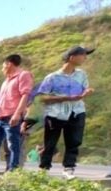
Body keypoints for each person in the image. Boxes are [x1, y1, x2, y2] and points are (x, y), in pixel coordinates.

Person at [36, 46, 95, 179]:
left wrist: (87, 92)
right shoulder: (52, 77)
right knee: (50, 142)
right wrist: (67, 98)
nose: (85, 58)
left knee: (74, 141)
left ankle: (68, 168)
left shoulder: (82, 74)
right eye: (83, 55)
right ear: (72, 57)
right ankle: (43, 169)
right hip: (55, 113)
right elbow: (42, 98)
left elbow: (84, 90)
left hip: (77, 111)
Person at [0, 54, 34, 172]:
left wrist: (17, 114)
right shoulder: (5, 81)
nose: (2, 69)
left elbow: (25, 95)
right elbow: (1, 101)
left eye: (3, 66)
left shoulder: (23, 75)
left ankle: (13, 170)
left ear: (9, 64)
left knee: (13, 145)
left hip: (11, 116)